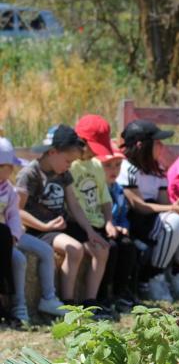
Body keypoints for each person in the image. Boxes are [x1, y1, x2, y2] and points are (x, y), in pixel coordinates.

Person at [16, 125, 112, 319]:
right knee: (73, 249)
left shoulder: (63, 173)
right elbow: (17, 210)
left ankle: (89, 303)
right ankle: (68, 304)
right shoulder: (30, 174)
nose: (70, 166)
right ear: (52, 152)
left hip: (58, 227)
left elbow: (74, 205)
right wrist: (44, 226)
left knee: (100, 247)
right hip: (38, 230)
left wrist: (90, 232)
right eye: (68, 161)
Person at [117, 119, 179, 302]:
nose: (162, 146)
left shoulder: (157, 170)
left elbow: (164, 201)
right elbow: (138, 205)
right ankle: (152, 276)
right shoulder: (127, 168)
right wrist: (173, 208)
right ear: (142, 146)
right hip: (136, 220)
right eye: (157, 143)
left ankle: (177, 273)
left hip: (154, 217)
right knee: (173, 222)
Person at [73, 115, 138, 311]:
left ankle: (115, 294)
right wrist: (90, 229)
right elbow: (73, 203)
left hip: (99, 221)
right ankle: (99, 297)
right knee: (108, 247)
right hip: (80, 222)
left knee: (126, 246)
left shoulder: (95, 166)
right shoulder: (72, 166)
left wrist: (109, 222)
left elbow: (104, 199)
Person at [0, 137, 66, 323]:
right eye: (8, 166)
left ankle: (49, 297)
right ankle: (19, 305)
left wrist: (14, 234)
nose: (12, 170)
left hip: (11, 236)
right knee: (19, 260)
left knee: (45, 250)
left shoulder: (9, 190)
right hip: (2, 241)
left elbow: (13, 215)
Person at [101, 143, 141, 311]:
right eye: (108, 165)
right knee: (112, 248)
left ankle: (121, 291)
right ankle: (103, 293)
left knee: (129, 246)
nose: (114, 170)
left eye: (118, 165)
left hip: (115, 229)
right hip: (101, 229)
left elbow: (122, 214)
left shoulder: (117, 188)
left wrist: (123, 226)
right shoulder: (98, 188)